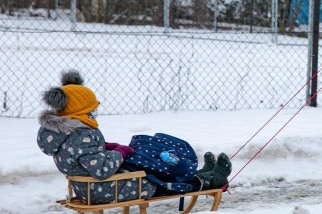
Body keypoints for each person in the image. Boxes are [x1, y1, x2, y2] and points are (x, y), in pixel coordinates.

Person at [37, 70, 231, 205]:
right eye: (91, 112)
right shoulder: (82, 135)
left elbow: (83, 156)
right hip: (102, 189)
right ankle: (203, 182)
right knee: (152, 178)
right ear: (78, 113)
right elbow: (102, 169)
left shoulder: (62, 134)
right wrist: (120, 152)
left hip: (89, 188)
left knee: (144, 162)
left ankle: (197, 173)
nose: (95, 115)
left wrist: (106, 147)